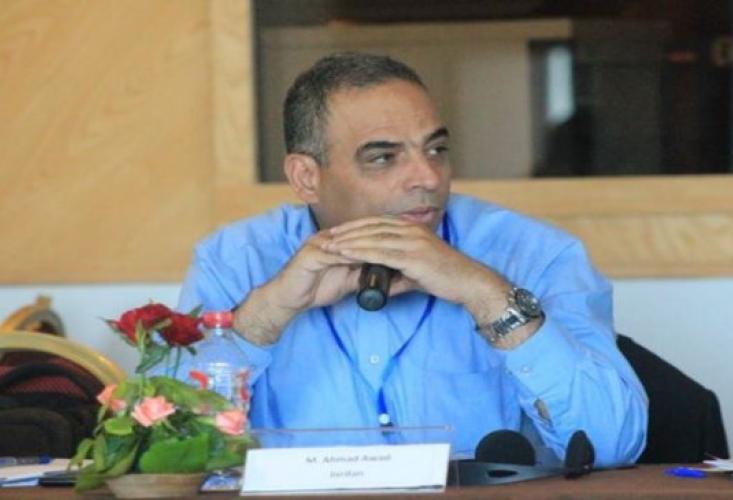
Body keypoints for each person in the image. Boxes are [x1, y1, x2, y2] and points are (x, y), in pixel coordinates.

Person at [178, 52, 647, 466]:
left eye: (436, 150)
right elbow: (166, 451)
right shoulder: (234, 261)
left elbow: (613, 445)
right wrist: (265, 316)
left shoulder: (534, 254)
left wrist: (487, 295)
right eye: (383, 158)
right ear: (306, 177)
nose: (427, 177)